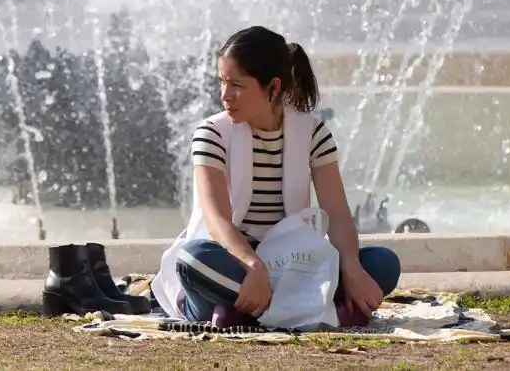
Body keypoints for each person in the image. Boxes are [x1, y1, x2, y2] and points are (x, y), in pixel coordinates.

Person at [151, 27, 402, 326]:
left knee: (383, 263)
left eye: (237, 85)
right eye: (222, 82)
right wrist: (253, 266)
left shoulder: (313, 133)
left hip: (292, 264)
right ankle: (309, 309)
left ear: (273, 87)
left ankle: (243, 312)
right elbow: (217, 221)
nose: (224, 95)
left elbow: (337, 213)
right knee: (193, 259)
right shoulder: (211, 133)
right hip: (233, 260)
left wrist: (351, 267)